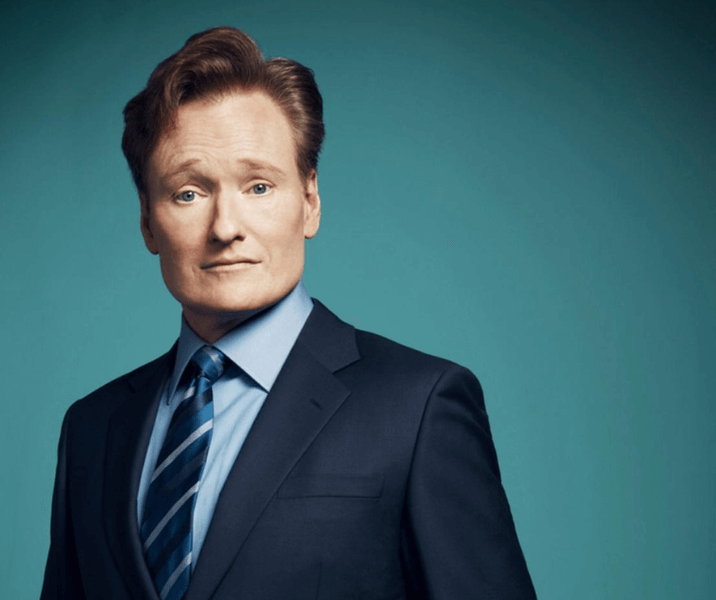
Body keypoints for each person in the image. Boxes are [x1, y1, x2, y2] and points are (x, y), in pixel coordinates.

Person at [40, 26, 536, 600]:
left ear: (310, 202)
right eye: (188, 193)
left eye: (257, 186)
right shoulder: (92, 429)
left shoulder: (420, 406)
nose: (226, 228)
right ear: (149, 222)